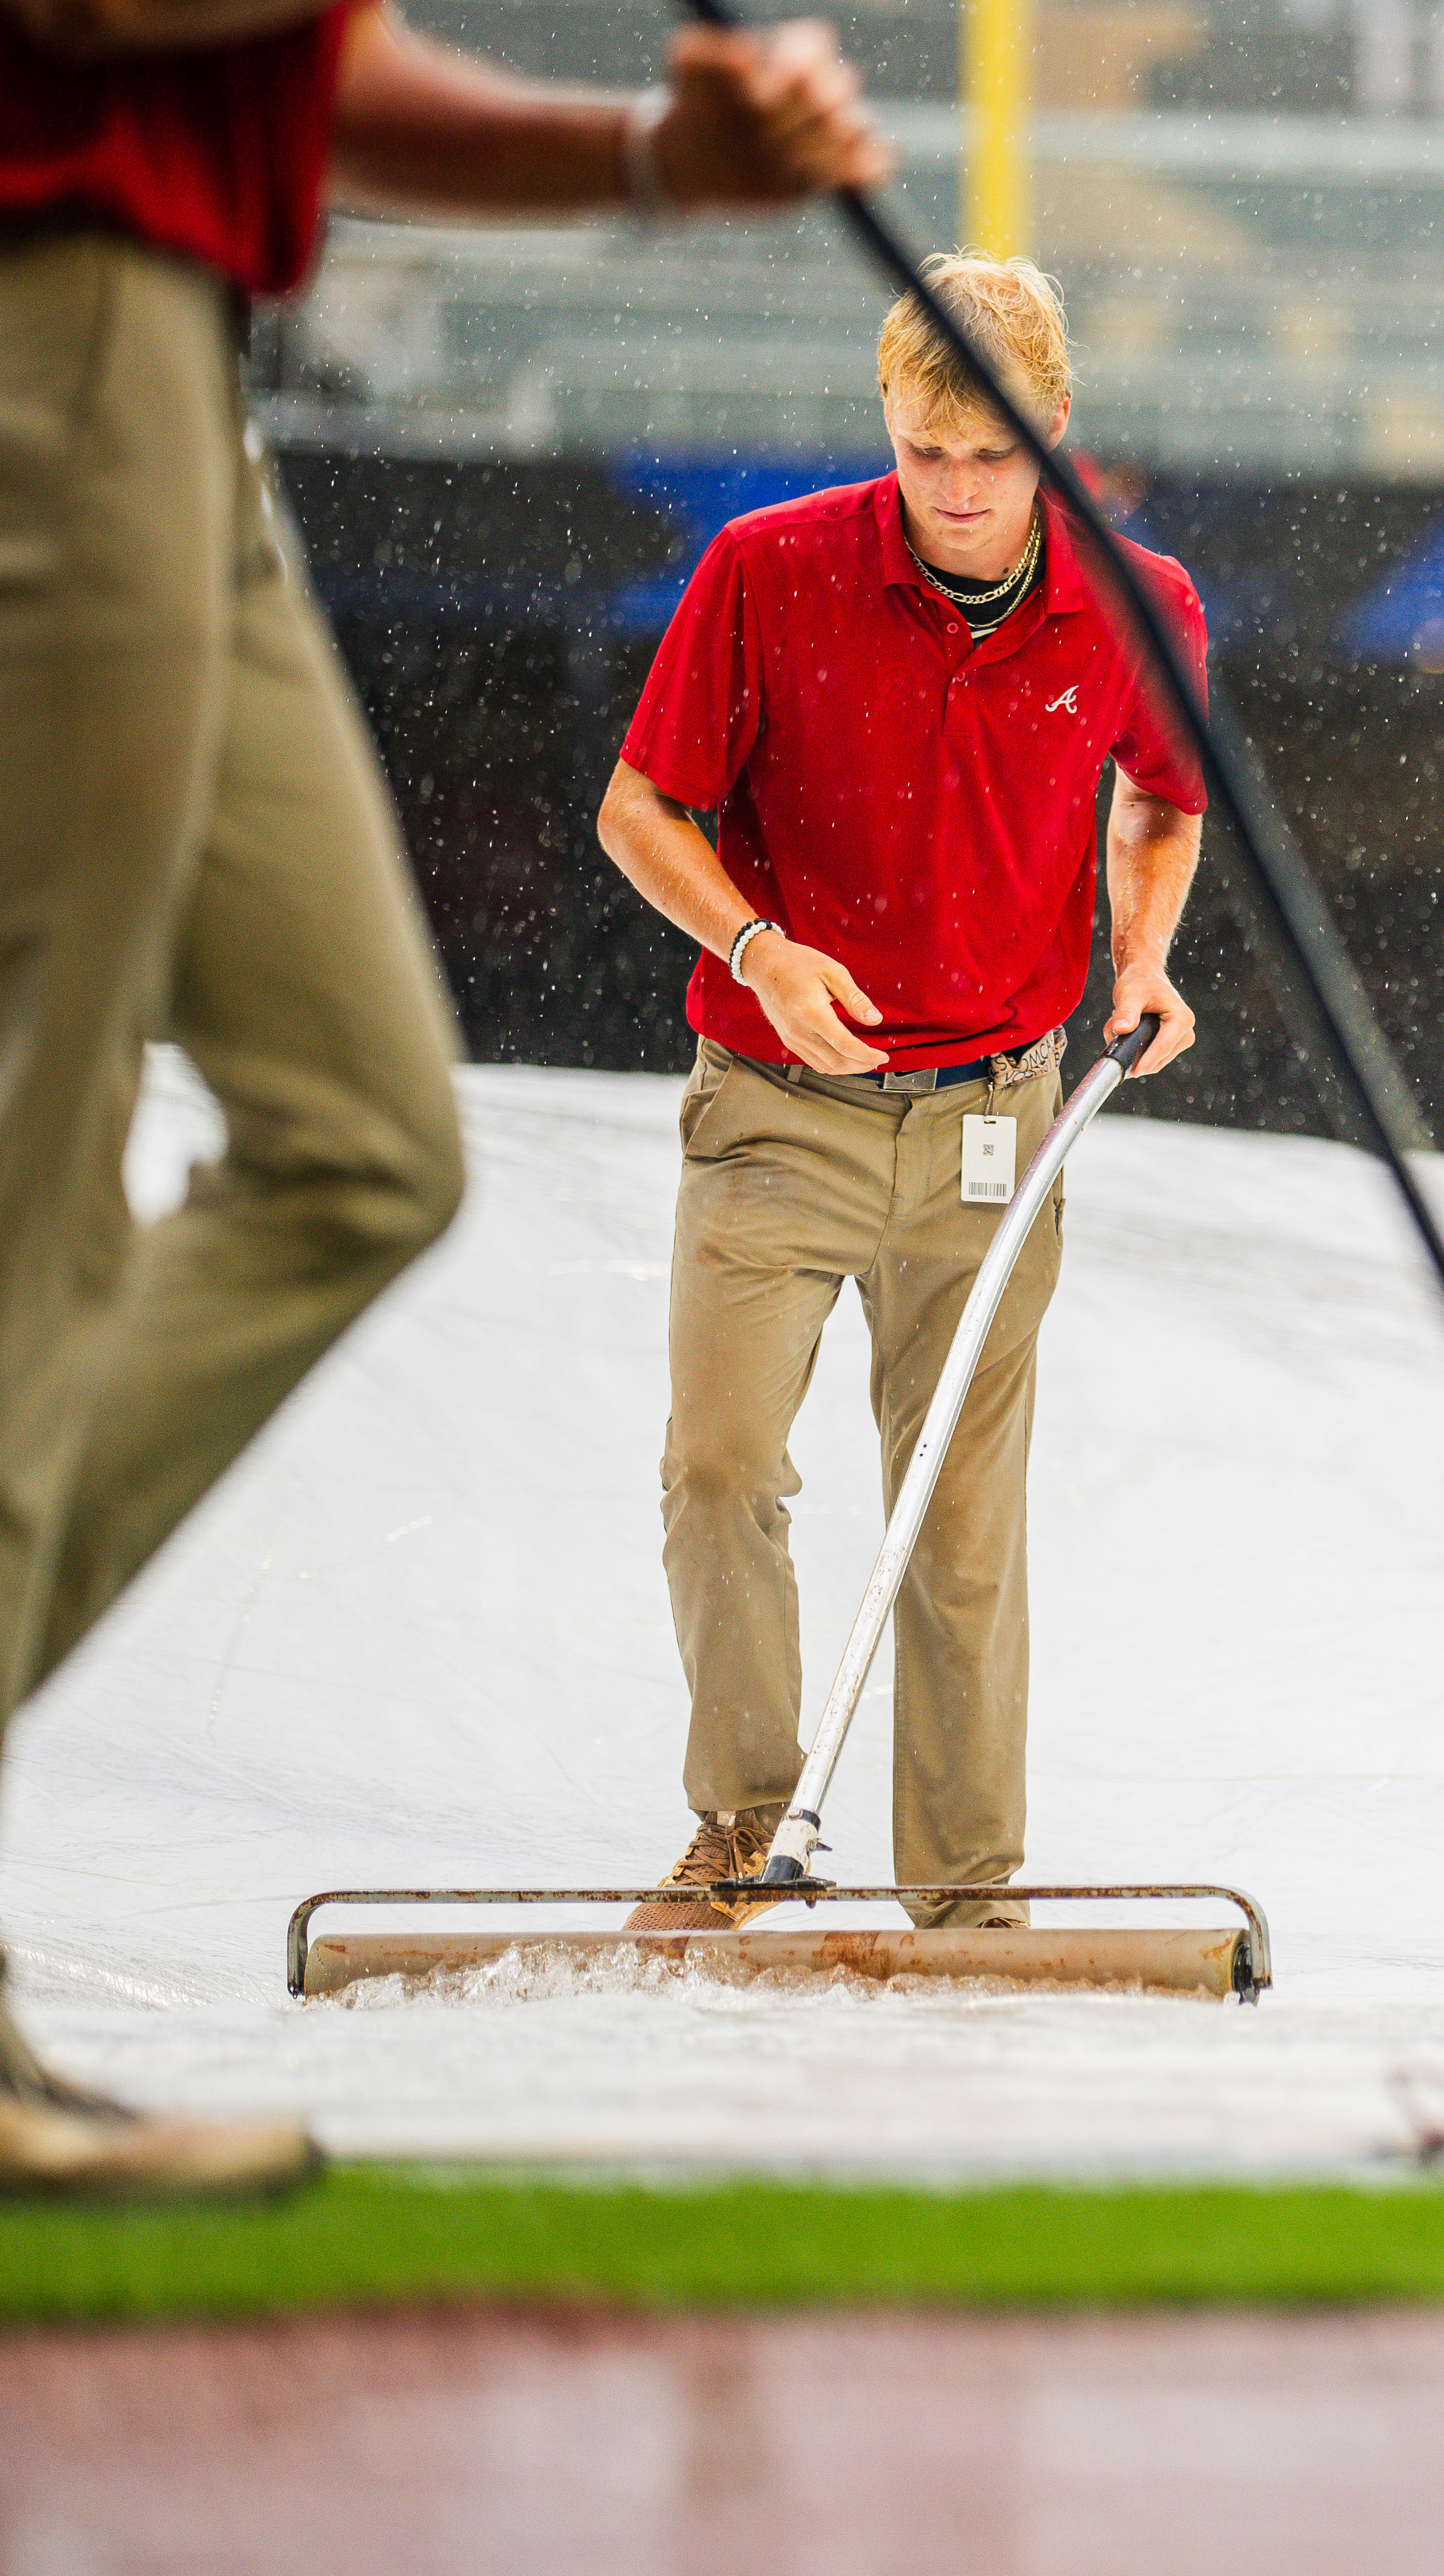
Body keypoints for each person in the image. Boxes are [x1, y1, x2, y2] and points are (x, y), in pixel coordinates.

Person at [0, 0, 882, 2193]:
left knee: (363, 1139)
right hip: (42, 309)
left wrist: (649, 164)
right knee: (39, 1192)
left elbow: (299, 75)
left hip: (165, 347)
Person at [594, 257, 1205, 1934]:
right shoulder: (767, 569)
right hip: (775, 1106)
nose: (954, 489)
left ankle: (967, 1897)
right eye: (924, 452)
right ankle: (738, 1826)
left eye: (991, 457)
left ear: (1056, 436)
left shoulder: (1139, 602)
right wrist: (758, 942)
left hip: (994, 1122)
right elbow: (639, 810)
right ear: (888, 427)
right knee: (719, 1465)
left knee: (957, 1517)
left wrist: (1137, 954)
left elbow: (1162, 804)